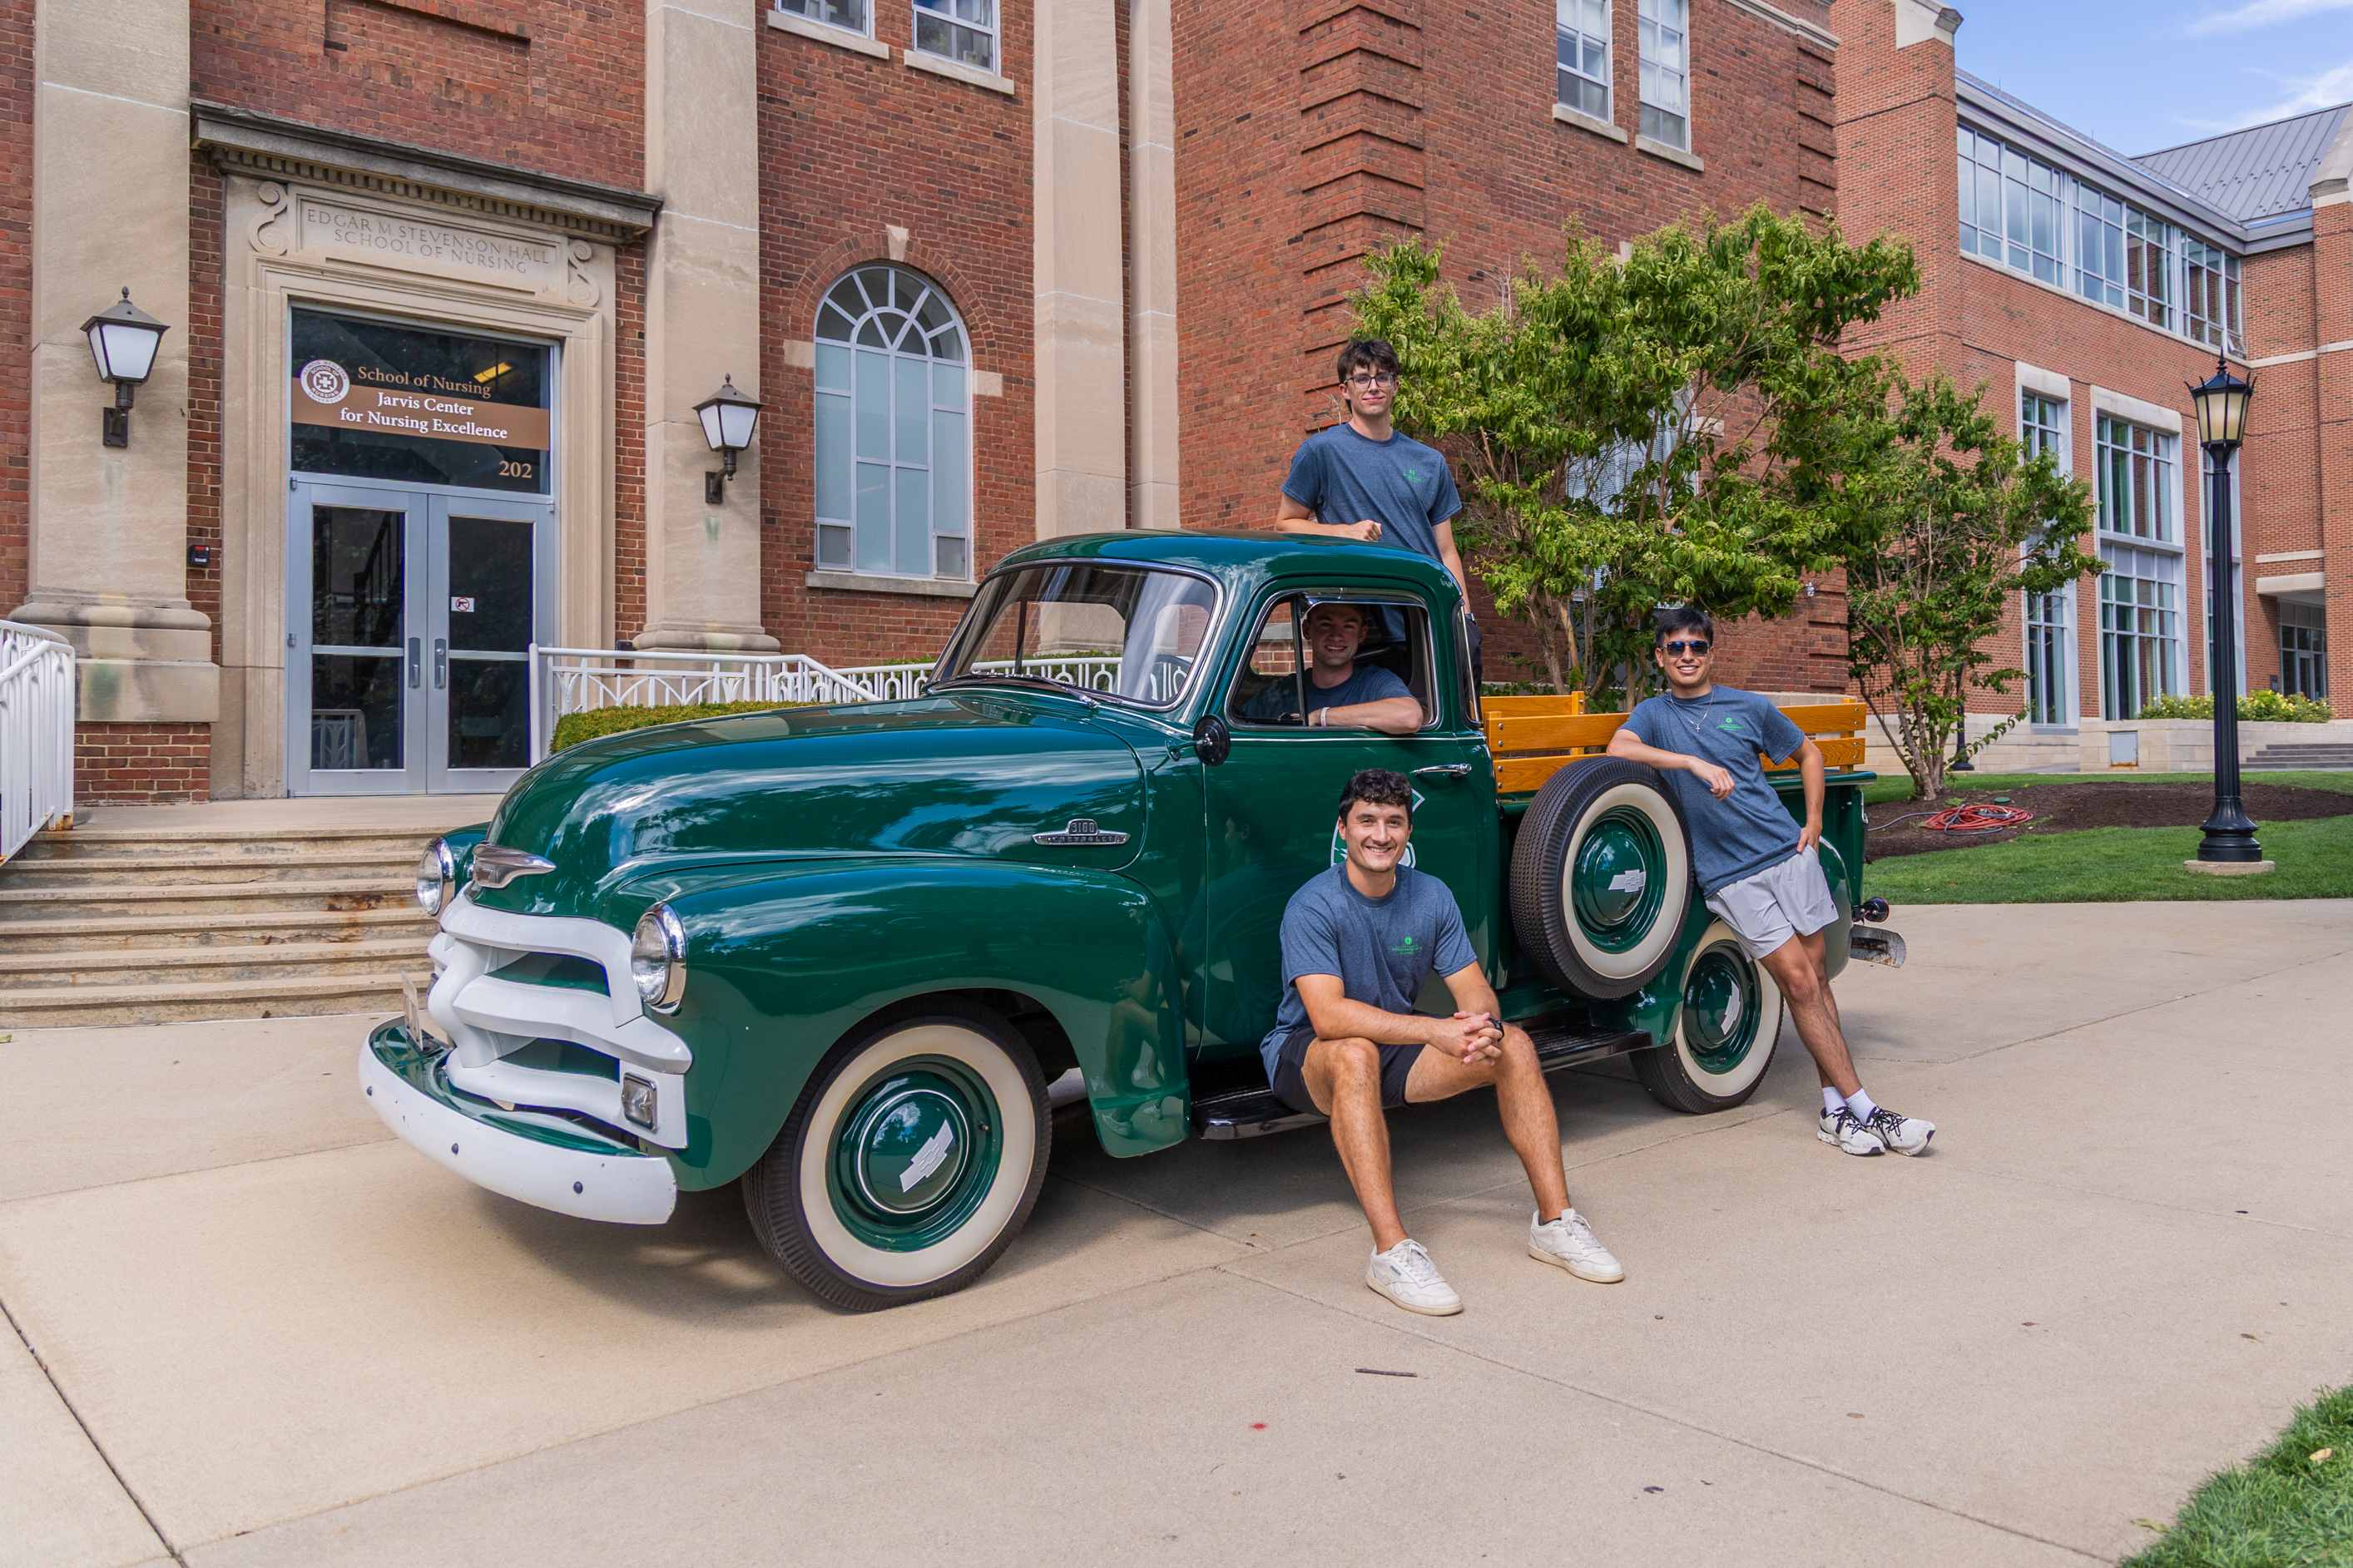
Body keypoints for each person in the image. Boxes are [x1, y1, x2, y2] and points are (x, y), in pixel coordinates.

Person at [1264, 769, 1624, 1315]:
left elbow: (1475, 989)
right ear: (1343, 830)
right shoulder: (1313, 904)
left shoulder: (1430, 895)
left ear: (1409, 831)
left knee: (1516, 1046)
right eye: (1366, 820)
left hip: (1395, 1049)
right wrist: (1435, 1029)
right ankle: (1391, 1252)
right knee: (1355, 1051)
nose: (1379, 835)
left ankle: (1555, 1224)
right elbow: (1329, 1016)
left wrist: (1480, 1025)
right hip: (1309, 1051)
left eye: (1393, 822)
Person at [1607, 609, 1935, 1157]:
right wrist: (1689, 761)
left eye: (1697, 646)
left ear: (1711, 652)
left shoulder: (1748, 706)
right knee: (1800, 984)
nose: (1687, 655)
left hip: (1787, 853)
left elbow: (1809, 752)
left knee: (1818, 980)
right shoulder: (1654, 714)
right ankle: (1867, 1110)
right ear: (1660, 657)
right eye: (1676, 648)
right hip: (1732, 879)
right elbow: (1619, 749)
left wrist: (1813, 820)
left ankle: (1835, 1113)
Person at [1274, 339, 1481, 680]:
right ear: (1345, 389)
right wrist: (1344, 531)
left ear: (1395, 386)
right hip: (1369, 625)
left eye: (1383, 377)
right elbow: (1286, 524)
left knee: (1441, 729)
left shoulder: (1428, 461)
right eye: (1362, 379)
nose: (1373, 386)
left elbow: (1446, 551)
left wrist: (1465, 620)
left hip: (1431, 622)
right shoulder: (1321, 452)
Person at [1239, 601, 1422, 734]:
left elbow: (1409, 716)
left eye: (1348, 626)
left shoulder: (1375, 681)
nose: (1336, 635)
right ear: (1307, 630)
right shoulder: (1285, 691)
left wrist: (1321, 717)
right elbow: (1238, 720)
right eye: (1326, 624)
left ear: (1362, 634)